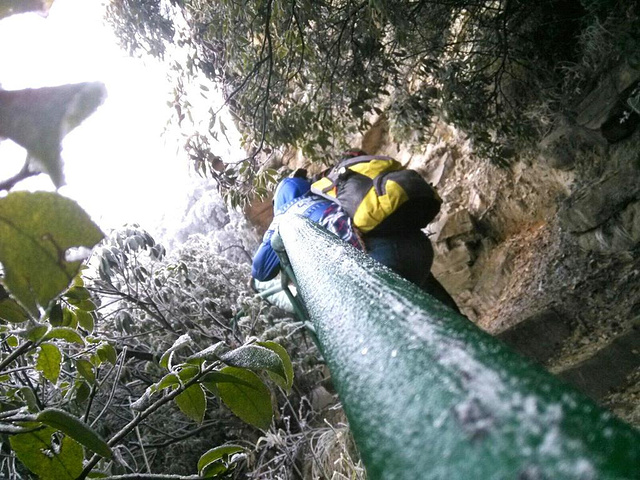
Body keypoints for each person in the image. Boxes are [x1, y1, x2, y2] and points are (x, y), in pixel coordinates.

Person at [332, 149, 460, 313]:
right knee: (437, 300)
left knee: (410, 320)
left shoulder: (335, 188)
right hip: (418, 243)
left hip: (384, 257)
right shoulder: (375, 166)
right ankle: (471, 334)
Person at [251, 169, 363, 283]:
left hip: (348, 256)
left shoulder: (283, 216)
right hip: (360, 230)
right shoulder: (323, 197)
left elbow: (260, 271)